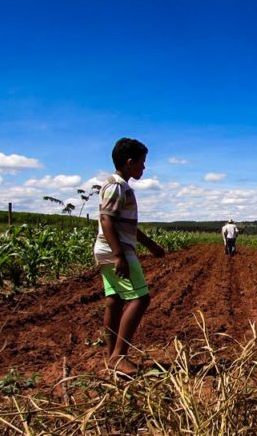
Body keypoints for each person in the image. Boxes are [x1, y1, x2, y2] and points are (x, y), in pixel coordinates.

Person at [93, 137, 165, 378]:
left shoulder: (116, 185)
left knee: (115, 300)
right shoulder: (117, 186)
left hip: (107, 249)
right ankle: (119, 357)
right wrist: (119, 255)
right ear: (129, 162)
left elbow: (128, 226)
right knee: (140, 299)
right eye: (142, 162)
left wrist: (151, 245)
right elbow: (106, 219)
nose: (144, 167)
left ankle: (111, 355)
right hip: (117, 250)